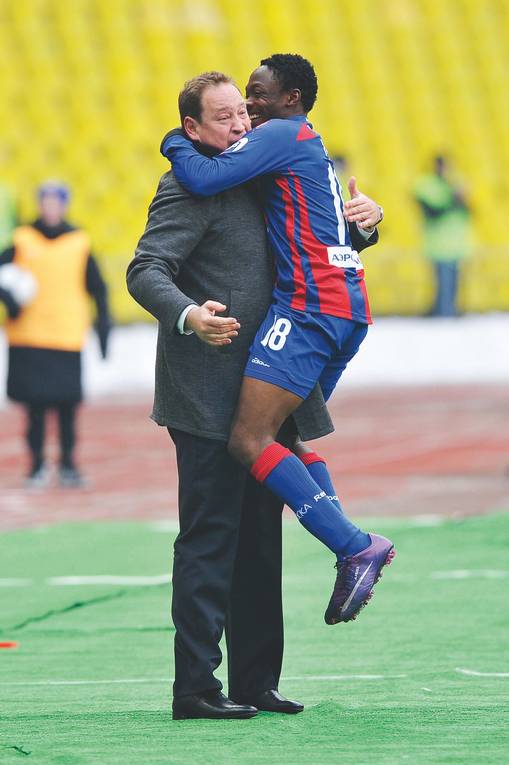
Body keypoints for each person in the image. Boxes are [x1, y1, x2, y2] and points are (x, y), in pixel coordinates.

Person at [128, 71, 380, 720]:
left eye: (242, 112)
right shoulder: (186, 184)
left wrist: (363, 225)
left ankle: (256, 682)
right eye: (224, 118)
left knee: (262, 543)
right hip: (208, 393)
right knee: (209, 541)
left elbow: (310, 241)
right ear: (191, 129)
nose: (241, 124)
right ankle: (195, 688)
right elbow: (144, 269)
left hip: (271, 381)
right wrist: (188, 314)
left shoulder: (262, 169)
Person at [162, 54, 394, 628]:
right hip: (345, 305)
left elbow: (203, 177)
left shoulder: (281, 135)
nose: (250, 105)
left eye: (258, 94)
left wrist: (174, 140)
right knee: (283, 436)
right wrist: (367, 222)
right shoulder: (302, 143)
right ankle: (351, 546)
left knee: (247, 439)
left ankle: (354, 547)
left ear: (291, 99)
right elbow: (324, 228)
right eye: (245, 96)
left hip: (311, 309)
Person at [0, 182, 110, 487]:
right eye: (45, 201)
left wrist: (103, 331)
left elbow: (99, 290)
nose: (50, 207)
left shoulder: (78, 242)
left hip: (65, 335)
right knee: (34, 407)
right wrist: (10, 301)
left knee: (67, 406)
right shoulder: (22, 239)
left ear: (64, 205)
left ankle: (68, 464)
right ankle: (36, 465)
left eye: (55, 201)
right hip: (29, 337)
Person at [414, 154, 471, 317]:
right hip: (438, 245)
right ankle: (442, 314)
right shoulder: (427, 185)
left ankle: (448, 312)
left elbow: (467, 213)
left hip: (456, 245)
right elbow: (432, 213)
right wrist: (454, 198)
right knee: (443, 285)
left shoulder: (454, 184)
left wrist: (461, 199)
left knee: (453, 286)